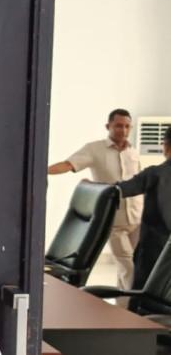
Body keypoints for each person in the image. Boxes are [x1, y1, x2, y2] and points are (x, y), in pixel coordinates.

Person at [48, 109, 142, 300]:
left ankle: (123, 306)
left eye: (127, 126)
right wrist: (41, 170)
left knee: (134, 267)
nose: (123, 130)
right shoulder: (94, 149)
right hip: (114, 220)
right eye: (118, 126)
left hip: (137, 217)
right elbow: (69, 164)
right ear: (108, 126)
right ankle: (131, 310)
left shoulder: (133, 152)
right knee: (128, 267)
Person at [117, 126, 171, 309]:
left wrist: (93, 187)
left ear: (166, 146)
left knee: (140, 298)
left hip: (153, 252)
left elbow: (120, 190)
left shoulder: (155, 174)